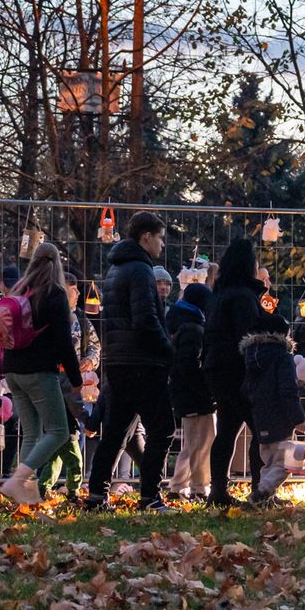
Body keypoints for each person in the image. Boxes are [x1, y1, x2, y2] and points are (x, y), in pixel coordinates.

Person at [88, 213, 174, 511]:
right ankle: (150, 496)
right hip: (143, 362)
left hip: (119, 361)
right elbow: (145, 320)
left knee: (115, 432)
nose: (162, 244)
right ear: (146, 237)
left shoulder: (116, 270)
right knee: (162, 429)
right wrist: (168, 352)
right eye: (160, 237)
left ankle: (97, 495)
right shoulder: (140, 270)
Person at [0, 240, 83, 508]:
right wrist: (76, 379)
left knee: (32, 433)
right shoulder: (54, 293)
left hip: (12, 370)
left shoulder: (20, 289)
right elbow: (63, 342)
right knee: (59, 431)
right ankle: (16, 482)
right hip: (39, 372)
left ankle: (27, 497)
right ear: (57, 263)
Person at [202, 237, 267, 508]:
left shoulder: (220, 295)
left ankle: (218, 490)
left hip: (217, 368)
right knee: (260, 430)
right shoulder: (243, 297)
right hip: (238, 370)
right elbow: (248, 336)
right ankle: (260, 490)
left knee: (228, 429)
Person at [240, 308, 301, 502]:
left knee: (268, 460)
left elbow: (246, 388)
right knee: (292, 460)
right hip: (281, 415)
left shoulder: (251, 356)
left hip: (259, 414)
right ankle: (262, 492)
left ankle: (265, 496)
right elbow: (288, 389)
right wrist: (298, 417)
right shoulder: (283, 357)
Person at [167, 281, 215, 502]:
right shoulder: (194, 328)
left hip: (184, 392)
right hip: (195, 395)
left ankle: (178, 485)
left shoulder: (179, 324)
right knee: (202, 442)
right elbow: (190, 364)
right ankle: (199, 487)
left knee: (193, 443)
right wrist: (206, 389)